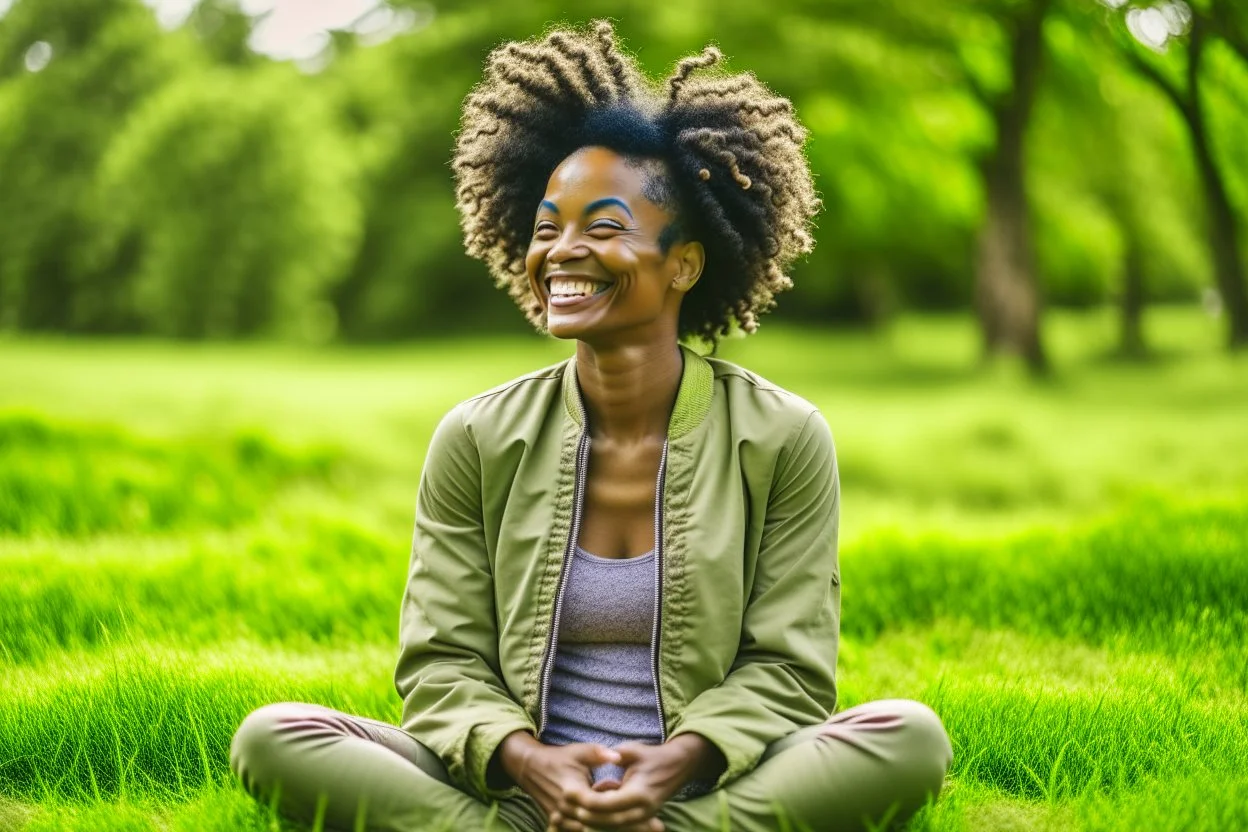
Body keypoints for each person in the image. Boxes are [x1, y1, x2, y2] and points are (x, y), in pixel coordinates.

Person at [229, 21, 952, 832]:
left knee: (910, 738)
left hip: (697, 784)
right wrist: (532, 765)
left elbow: (787, 670)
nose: (563, 252)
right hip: (515, 791)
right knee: (276, 737)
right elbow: (443, 663)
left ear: (683, 262)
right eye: (547, 229)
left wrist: (672, 765)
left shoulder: (780, 437)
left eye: (603, 228)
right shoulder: (477, 436)